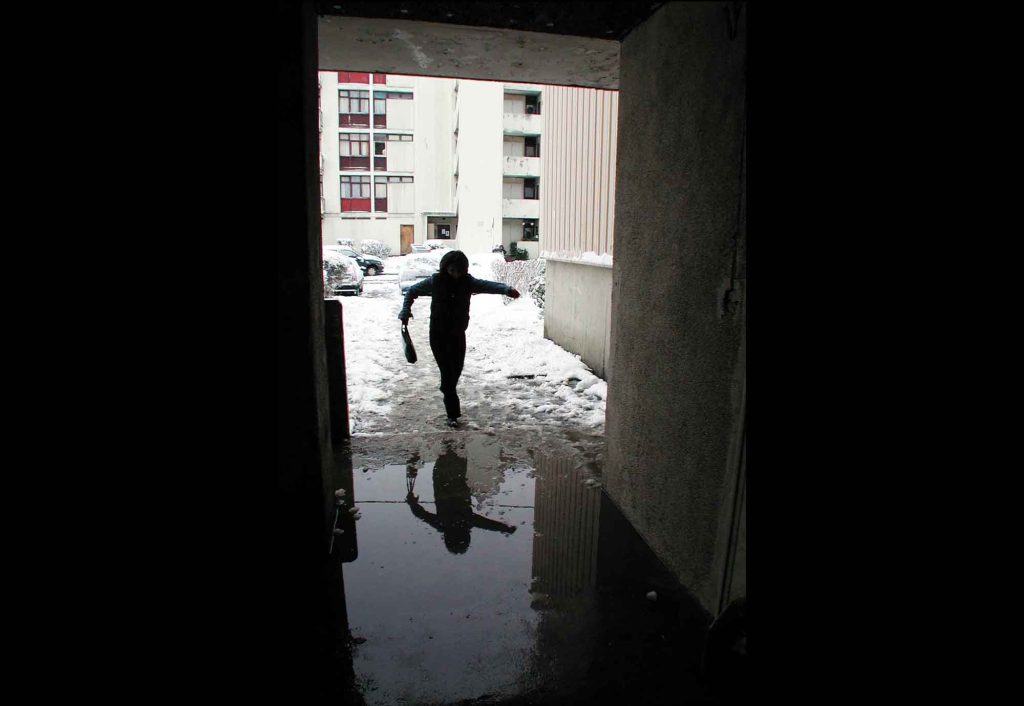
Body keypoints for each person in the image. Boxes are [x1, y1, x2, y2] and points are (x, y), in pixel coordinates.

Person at [398, 250, 520, 428]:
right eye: (452, 270)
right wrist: (405, 311)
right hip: (438, 335)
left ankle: (447, 390)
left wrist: (506, 289)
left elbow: (487, 285)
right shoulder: (435, 281)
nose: (455, 275)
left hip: (457, 335)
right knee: (447, 373)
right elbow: (411, 291)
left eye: (459, 271)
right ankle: (452, 414)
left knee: (455, 371)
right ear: (445, 268)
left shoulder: (467, 282)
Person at [405, 444, 516, 554]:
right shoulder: (441, 524)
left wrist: (505, 528)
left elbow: (488, 525)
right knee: (445, 453)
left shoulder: (467, 521)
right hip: (441, 481)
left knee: (458, 449)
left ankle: (455, 434)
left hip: (458, 484)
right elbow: (420, 514)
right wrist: (412, 502)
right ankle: (449, 436)